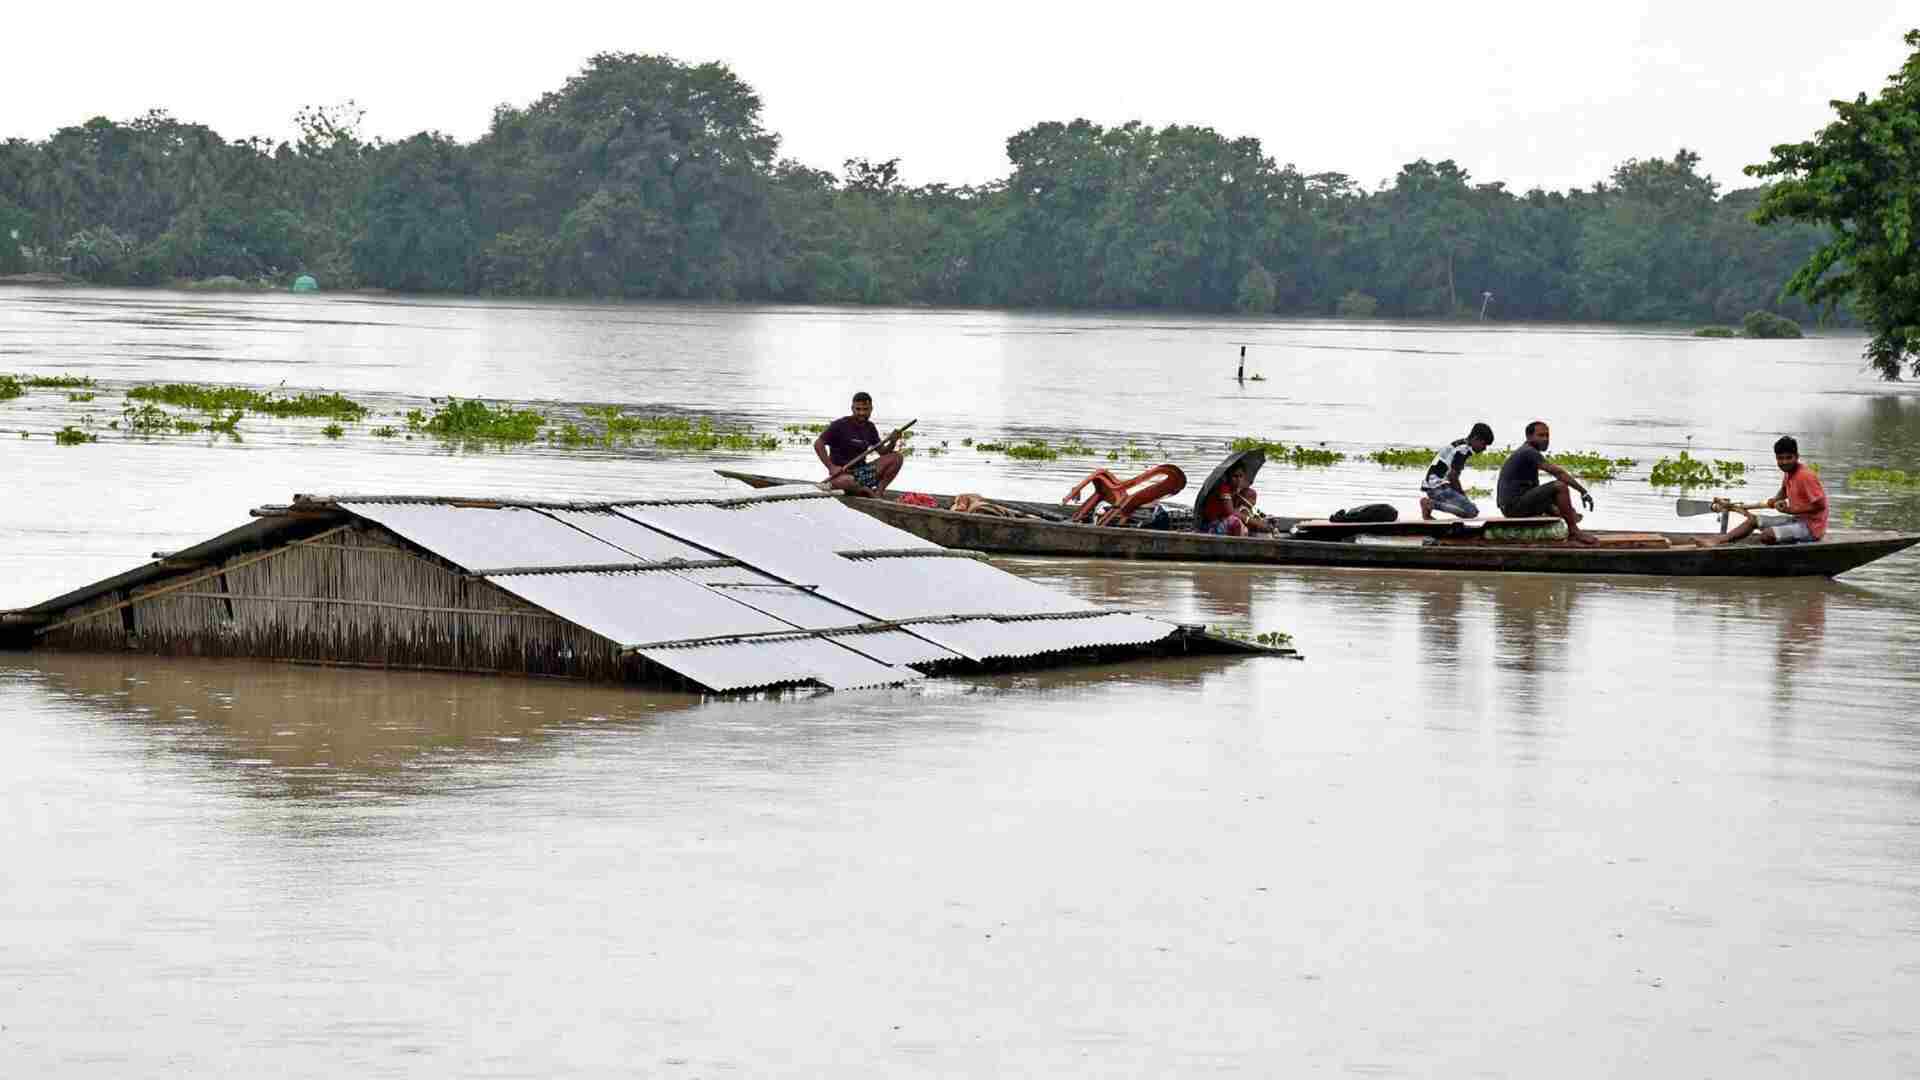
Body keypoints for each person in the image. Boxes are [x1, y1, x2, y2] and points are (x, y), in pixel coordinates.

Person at [1697, 435, 1827, 546]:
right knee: (1753, 521)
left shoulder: (1805, 476)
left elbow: (1820, 505)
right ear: (1776, 458)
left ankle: (1789, 547)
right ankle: (1718, 541)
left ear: (1797, 457)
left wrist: (1790, 510)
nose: (1784, 462)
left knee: (1767, 535)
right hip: (1796, 521)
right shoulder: (1789, 472)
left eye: (1788, 457)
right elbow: (1784, 490)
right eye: (1780, 458)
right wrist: (1775, 500)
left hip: (1811, 529)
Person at [1496, 420, 1598, 545]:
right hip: (1512, 507)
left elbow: (1534, 491)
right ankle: (1574, 531)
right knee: (1560, 486)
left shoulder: (1528, 452)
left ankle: (1570, 521)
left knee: (1563, 508)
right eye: (1540, 435)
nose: (1545, 439)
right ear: (1529, 437)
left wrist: (1558, 509)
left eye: (1547, 435)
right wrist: (1583, 492)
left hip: (1513, 505)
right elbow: (1559, 473)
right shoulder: (1528, 452)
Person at [813, 391, 904, 496]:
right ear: (852, 408)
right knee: (847, 481)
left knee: (897, 457)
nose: (862, 413)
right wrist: (831, 467)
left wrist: (893, 441)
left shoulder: (870, 428)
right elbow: (818, 443)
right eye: (858, 409)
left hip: (862, 473)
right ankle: (864, 490)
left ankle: (878, 491)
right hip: (842, 474)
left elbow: (883, 453)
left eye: (865, 409)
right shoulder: (840, 425)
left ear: (871, 409)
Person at [1419, 421, 1495, 520]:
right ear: (1476, 439)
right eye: (1484, 444)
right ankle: (1430, 504)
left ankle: (1429, 511)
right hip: (1438, 488)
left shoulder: (1460, 444)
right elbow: (1453, 477)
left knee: (1467, 508)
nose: (1484, 448)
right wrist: (1463, 496)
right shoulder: (1463, 450)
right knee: (1472, 512)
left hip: (1432, 486)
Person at [1198, 464, 1267, 536]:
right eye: (1235, 476)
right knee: (1236, 522)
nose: (1238, 479)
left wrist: (1258, 521)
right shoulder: (1224, 489)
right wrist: (1254, 522)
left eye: (1241, 476)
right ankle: (1237, 544)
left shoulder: (1237, 491)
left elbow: (1242, 511)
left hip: (1225, 521)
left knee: (1247, 515)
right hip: (1212, 524)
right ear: (1229, 477)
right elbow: (1231, 512)